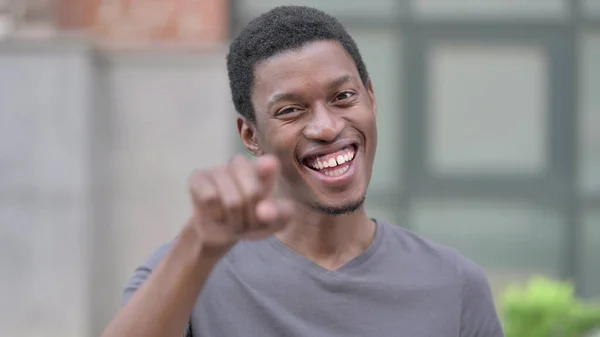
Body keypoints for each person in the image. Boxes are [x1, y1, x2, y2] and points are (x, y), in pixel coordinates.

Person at [100, 5, 504, 337]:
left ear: (371, 98)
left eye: (344, 96)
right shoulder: (188, 273)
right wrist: (198, 250)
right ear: (250, 134)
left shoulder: (453, 283)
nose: (326, 127)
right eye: (291, 110)